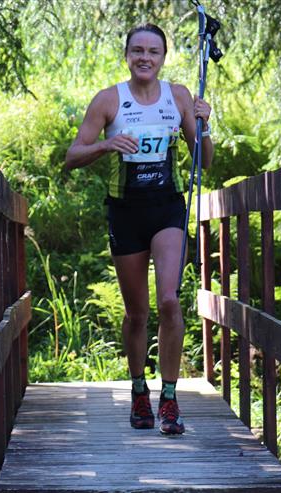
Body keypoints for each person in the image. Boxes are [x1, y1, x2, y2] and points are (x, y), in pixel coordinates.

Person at [65, 23, 213, 435]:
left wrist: (204, 126)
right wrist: (105, 145)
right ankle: (138, 391)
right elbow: (72, 156)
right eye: (138, 51)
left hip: (167, 210)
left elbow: (203, 161)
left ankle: (169, 397)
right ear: (127, 55)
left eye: (153, 51)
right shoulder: (108, 100)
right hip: (126, 213)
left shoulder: (178, 96)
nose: (145, 57)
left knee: (169, 301)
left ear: (163, 57)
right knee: (136, 313)